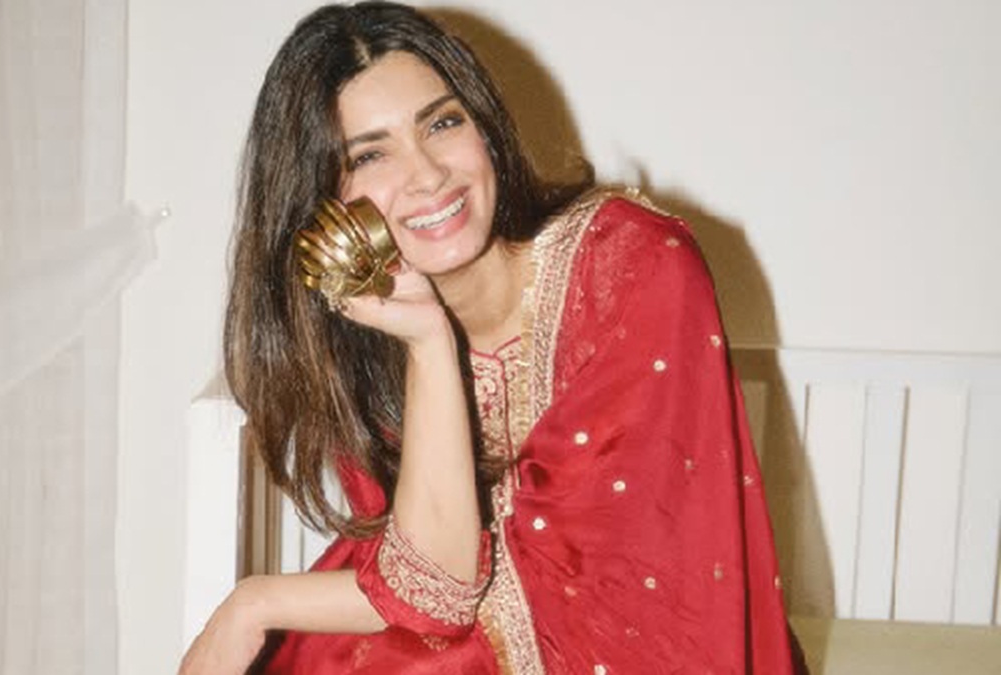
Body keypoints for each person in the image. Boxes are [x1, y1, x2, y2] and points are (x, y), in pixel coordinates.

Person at [180, 2, 803, 673]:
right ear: (326, 205)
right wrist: (427, 341)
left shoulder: (635, 271)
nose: (428, 174)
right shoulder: (363, 329)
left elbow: (633, 590)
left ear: (484, 127)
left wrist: (257, 601)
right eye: (371, 154)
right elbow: (434, 588)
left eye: (442, 123)